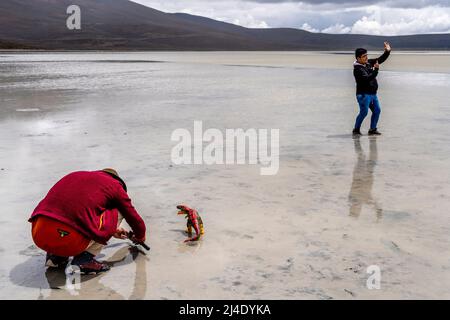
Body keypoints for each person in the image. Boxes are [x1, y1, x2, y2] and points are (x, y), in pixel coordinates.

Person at [28, 168, 146, 274]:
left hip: (39, 233)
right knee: (119, 210)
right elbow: (134, 218)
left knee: (61, 217)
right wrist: (140, 236)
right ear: (119, 182)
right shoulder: (115, 186)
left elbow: (76, 211)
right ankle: (84, 260)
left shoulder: (75, 175)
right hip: (69, 239)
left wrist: (112, 230)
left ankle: (55, 257)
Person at [353, 42, 391, 136]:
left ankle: (372, 129)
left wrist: (387, 51)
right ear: (358, 58)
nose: (366, 57)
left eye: (366, 55)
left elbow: (380, 59)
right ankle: (356, 129)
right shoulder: (357, 70)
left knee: (377, 110)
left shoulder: (368, 63)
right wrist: (376, 70)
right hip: (363, 95)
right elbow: (367, 78)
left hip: (373, 94)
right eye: (363, 56)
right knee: (364, 112)